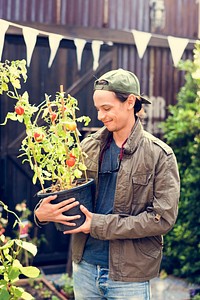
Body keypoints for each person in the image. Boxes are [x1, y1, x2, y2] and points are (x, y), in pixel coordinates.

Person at [34, 69, 180, 300]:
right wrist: (42, 214)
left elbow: (162, 219)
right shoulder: (87, 147)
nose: (100, 116)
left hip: (129, 276)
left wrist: (99, 224)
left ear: (130, 102)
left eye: (107, 108)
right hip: (84, 268)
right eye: (98, 109)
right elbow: (62, 193)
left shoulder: (159, 155)